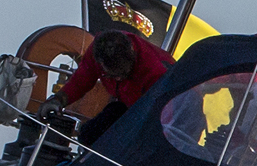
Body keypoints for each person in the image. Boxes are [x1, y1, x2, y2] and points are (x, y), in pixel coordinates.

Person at [41, 29, 174, 145]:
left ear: (133, 56)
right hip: (127, 107)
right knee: (89, 135)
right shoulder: (97, 52)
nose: (117, 79)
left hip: (162, 116)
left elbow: (164, 117)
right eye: (110, 75)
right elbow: (81, 81)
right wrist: (58, 100)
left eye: (123, 74)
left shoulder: (156, 71)